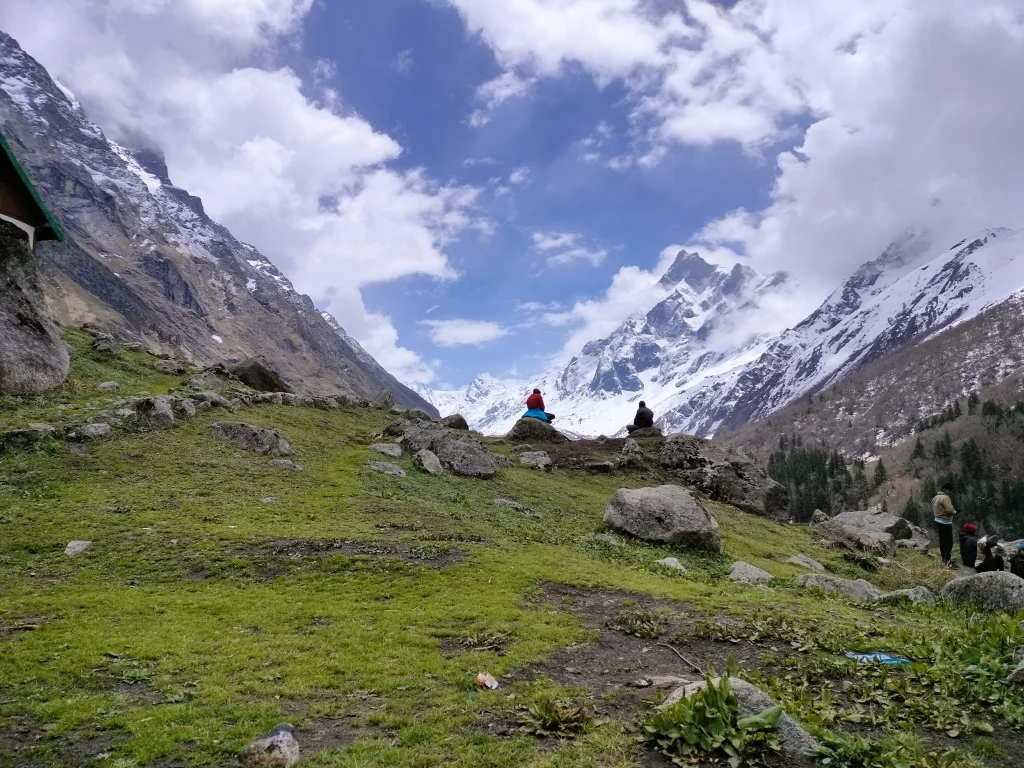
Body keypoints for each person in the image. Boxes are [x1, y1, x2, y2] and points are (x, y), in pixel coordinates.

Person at [932, 483, 957, 567]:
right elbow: (949, 510)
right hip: (945, 522)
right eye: (949, 490)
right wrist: (955, 512)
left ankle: (944, 559)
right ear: (944, 489)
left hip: (937, 521)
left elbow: (934, 507)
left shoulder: (936, 497)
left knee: (942, 541)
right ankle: (948, 562)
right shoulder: (945, 498)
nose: (951, 492)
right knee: (948, 543)